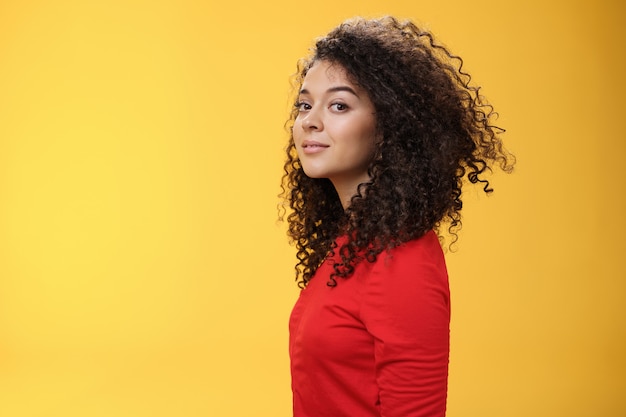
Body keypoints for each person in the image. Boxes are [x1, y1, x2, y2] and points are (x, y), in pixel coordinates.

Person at [280, 16, 514, 417]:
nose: (309, 120)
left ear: (389, 126)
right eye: (304, 104)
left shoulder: (400, 260)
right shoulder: (350, 242)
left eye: (338, 105)